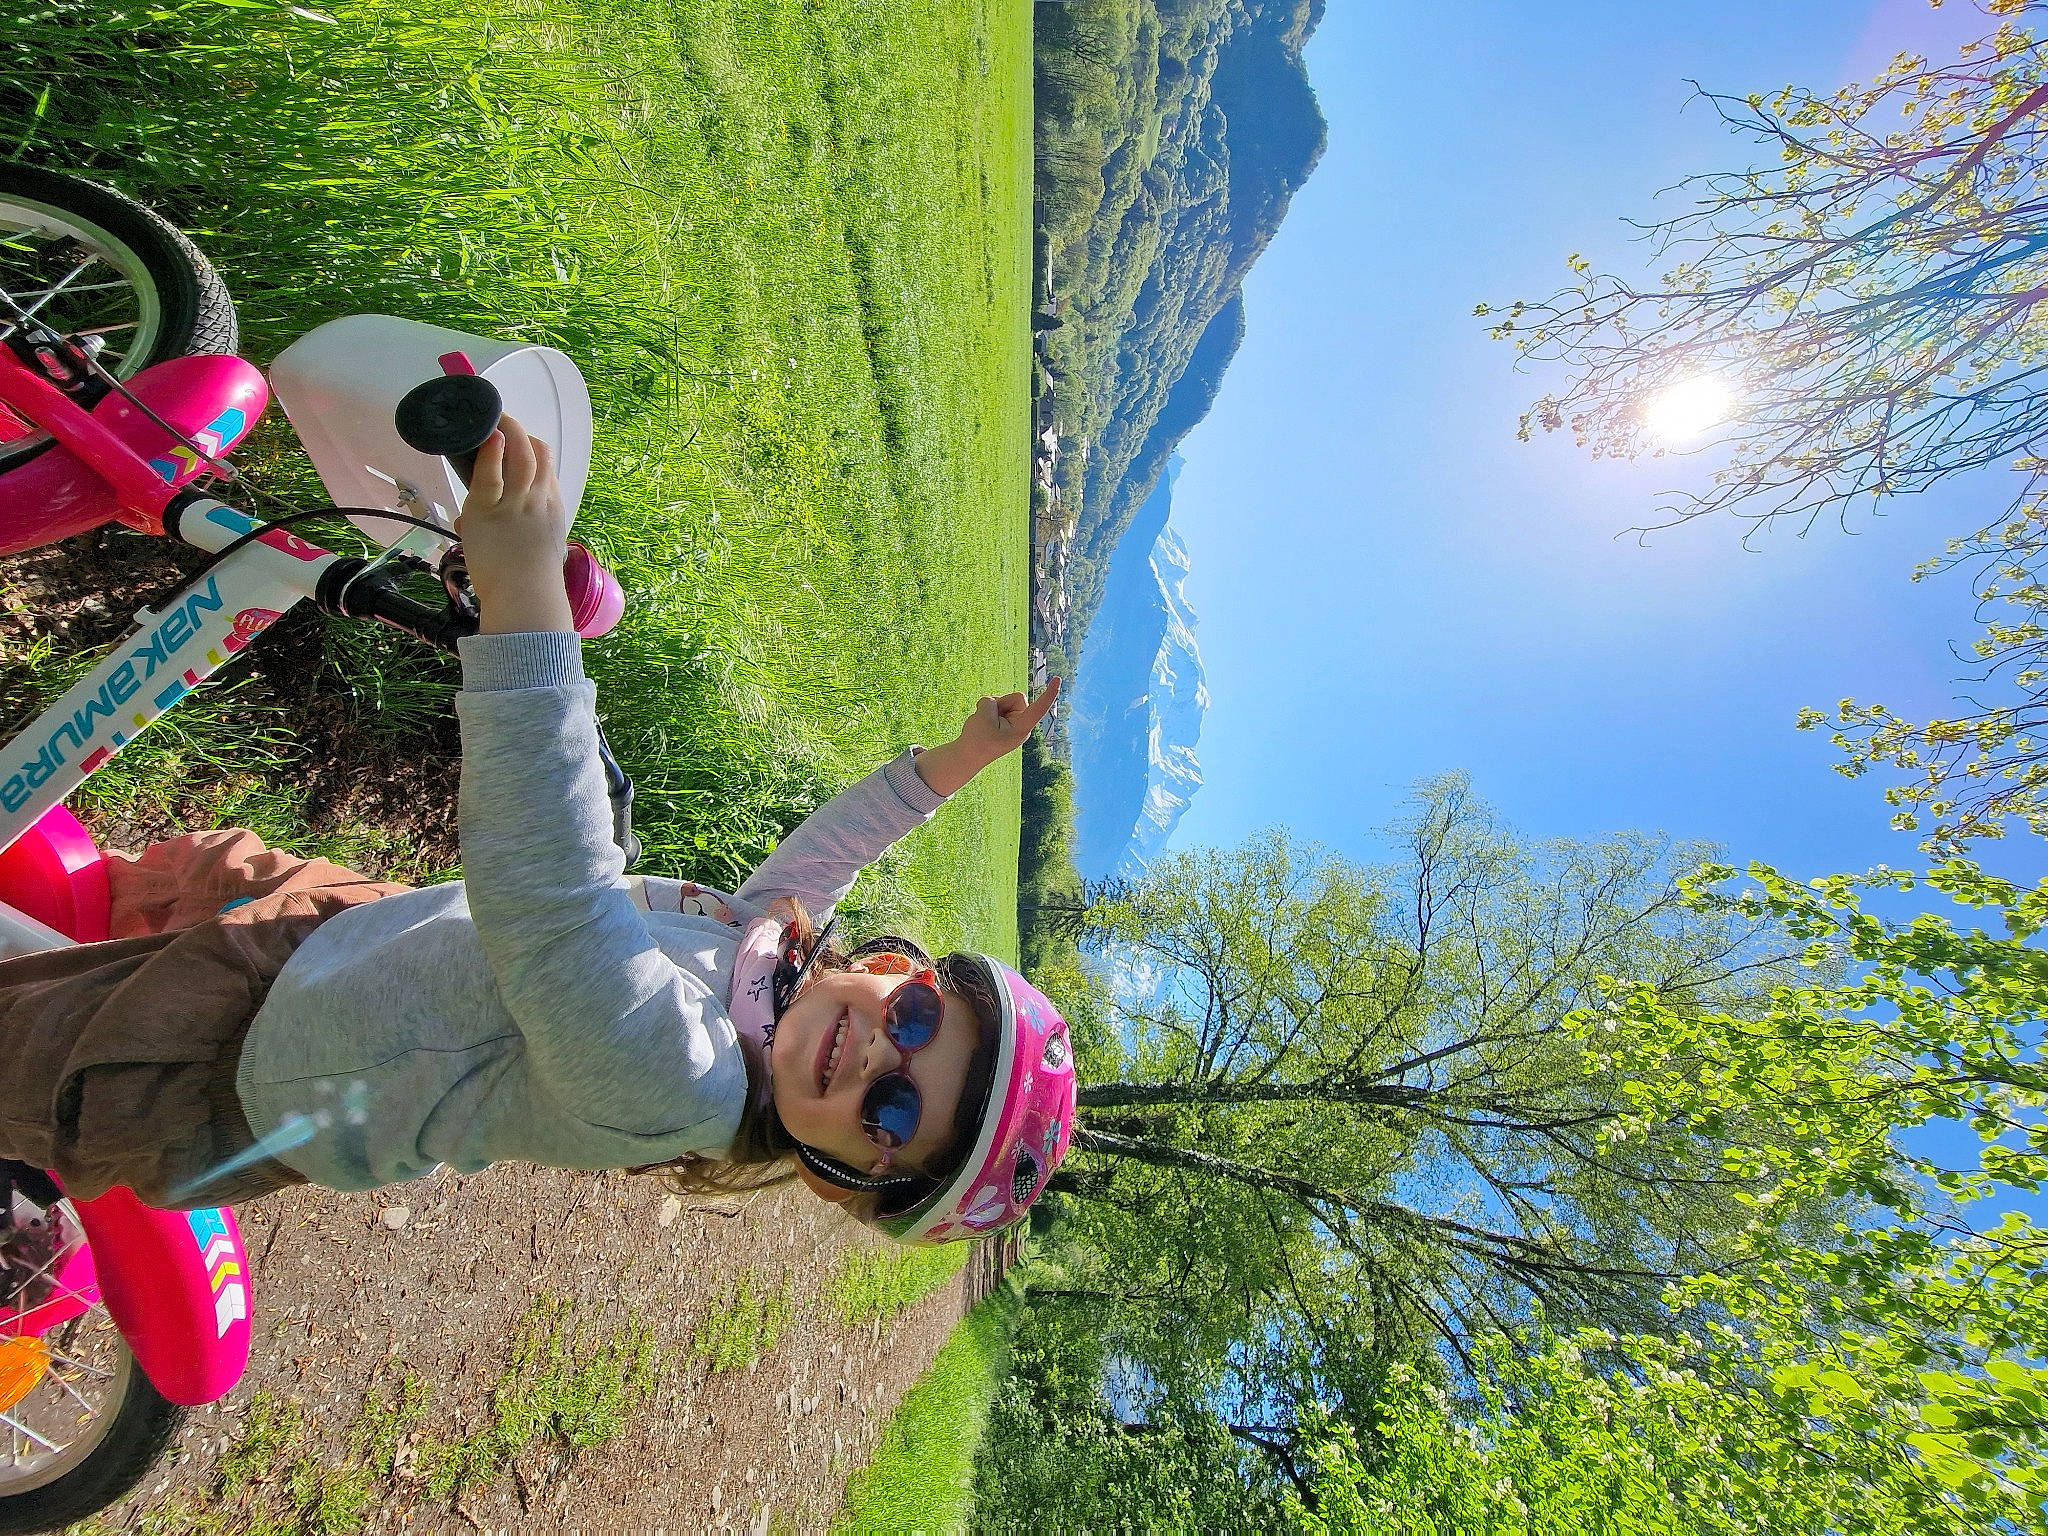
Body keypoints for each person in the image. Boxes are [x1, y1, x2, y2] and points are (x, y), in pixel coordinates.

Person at [0, 419, 1075, 1245]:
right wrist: (960, 761)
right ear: (899, 971)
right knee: (189, 873)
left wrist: (524, 601)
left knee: (30, 1049)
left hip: (224, 1070)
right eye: (921, 1022)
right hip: (356, 954)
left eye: (890, 1112)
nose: (881, 1055)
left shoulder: (685, 1086)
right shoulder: (768, 961)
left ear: (835, 1173)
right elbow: (831, 850)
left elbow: (553, 904)